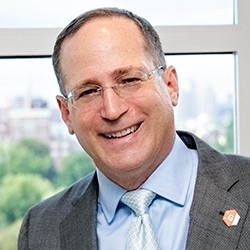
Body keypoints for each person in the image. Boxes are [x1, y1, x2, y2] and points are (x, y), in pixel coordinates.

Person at [18, 7, 250, 250]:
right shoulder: (41, 229)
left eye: (130, 80)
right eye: (88, 92)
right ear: (66, 113)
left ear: (170, 85)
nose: (112, 110)